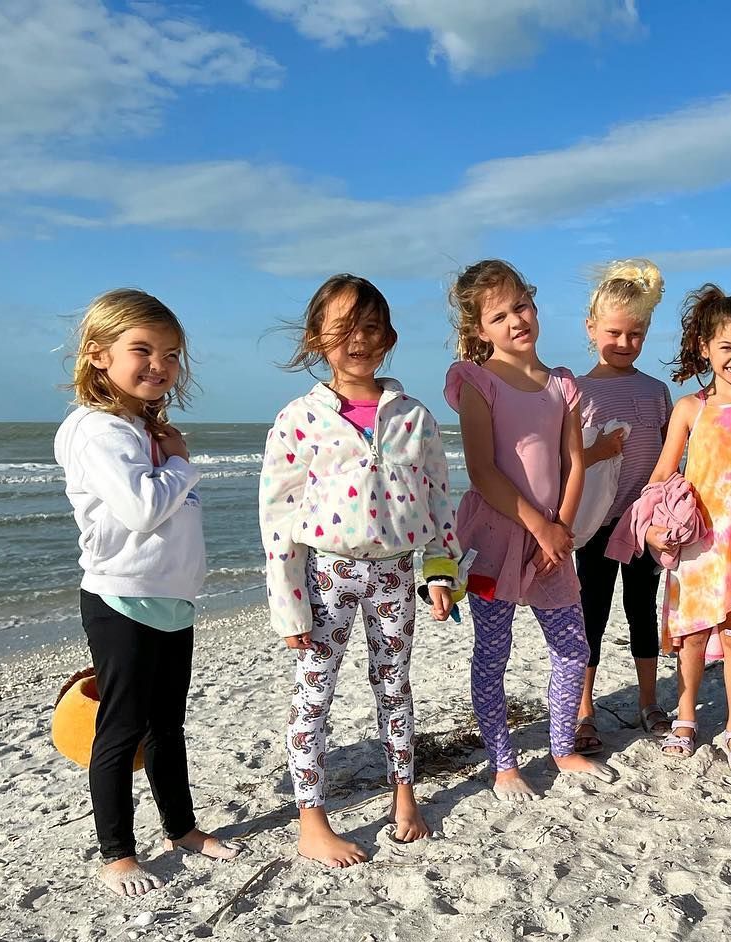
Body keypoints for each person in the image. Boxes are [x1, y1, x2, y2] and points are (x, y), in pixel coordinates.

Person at [259, 274, 460, 867]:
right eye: (342, 327)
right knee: (314, 693)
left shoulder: (412, 416)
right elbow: (278, 514)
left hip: (396, 572)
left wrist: (441, 571)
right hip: (327, 574)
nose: (357, 340)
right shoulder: (300, 418)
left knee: (394, 687)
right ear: (317, 338)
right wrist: (288, 601)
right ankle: (311, 819)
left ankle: (405, 794)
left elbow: (438, 499)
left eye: (370, 327)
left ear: (389, 336)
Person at [54, 288, 240, 897]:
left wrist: (172, 461)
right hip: (120, 596)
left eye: (171, 353)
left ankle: (181, 828)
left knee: (168, 725)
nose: (159, 363)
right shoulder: (98, 429)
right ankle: (116, 853)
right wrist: (183, 465)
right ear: (99, 355)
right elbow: (140, 509)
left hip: (169, 599)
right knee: (122, 726)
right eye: (143, 349)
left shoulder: (141, 426)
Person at [445, 259, 615, 801]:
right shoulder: (477, 381)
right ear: (479, 330)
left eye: (521, 305)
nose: (516, 320)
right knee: (493, 653)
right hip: (497, 538)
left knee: (572, 645)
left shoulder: (562, 384)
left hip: (554, 538)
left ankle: (562, 745)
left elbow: (575, 464)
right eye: (499, 315)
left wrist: (560, 527)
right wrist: (538, 526)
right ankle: (503, 763)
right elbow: (482, 472)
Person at [645, 284, 731, 773]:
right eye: (726, 347)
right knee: (691, 636)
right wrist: (654, 525)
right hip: (698, 541)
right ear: (704, 348)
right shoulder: (690, 408)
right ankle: (686, 717)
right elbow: (661, 472)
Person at [573, 259, 674, 751]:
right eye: (613, 332)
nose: (624, 343)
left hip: (644, 523)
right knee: (590, 613)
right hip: (593, 524)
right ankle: (584, 708)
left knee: (641, 611)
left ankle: (649, 700)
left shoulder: (656, 391)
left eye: (636, 334)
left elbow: (671, 455)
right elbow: (563, 460)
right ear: (591, 328)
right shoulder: (576, 390)